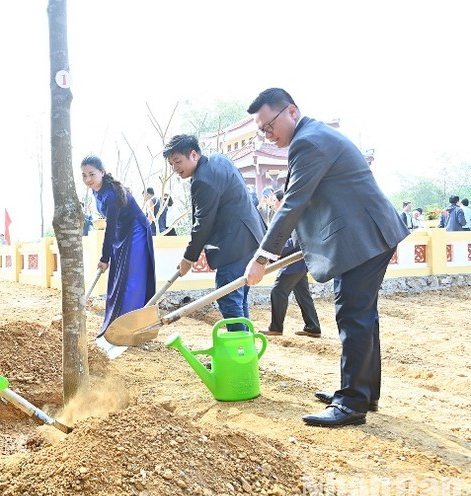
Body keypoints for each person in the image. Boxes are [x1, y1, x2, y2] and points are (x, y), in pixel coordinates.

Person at [245, 88, 408, 427]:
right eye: (261, 130)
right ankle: (363, 393)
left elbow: (293, 202)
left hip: (365, 238)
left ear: (291, 111)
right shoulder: (313, 137)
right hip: (366, 235)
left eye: (269, 125)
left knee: (353, 315)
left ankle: (351, 404)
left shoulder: (308, 141)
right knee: (362, 315)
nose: (267, 134)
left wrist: (261, 256)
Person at [163, 134, 265, 331]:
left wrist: (188, 258)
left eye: (178, 162)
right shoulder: (220, 159)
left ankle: (239, 356)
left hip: (233, 245)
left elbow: (203, 223)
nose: (175, 169)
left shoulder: (203, 180)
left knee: (228, 299)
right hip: (251, 237)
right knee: (238, 298)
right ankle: (245, 352)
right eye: (172, 164)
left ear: (193, 154)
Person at [81, 155, 156, 356]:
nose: (88, 179)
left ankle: (129, 329)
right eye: (84, 175)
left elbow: (110, 227)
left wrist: (105, 257)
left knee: (132, 279)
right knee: (117, 280)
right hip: (121, 233)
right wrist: (108, 255)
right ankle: (115, 326)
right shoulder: (97, 192)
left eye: (92, 174)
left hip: (136, 231)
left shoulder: (111, 195)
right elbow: (112, 225)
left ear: (102, 172)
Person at [259, 190, 321, 338]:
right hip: (299, 262)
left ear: (282, 201)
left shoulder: (294, 215)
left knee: (278, 291)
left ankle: (276, 327)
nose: (273, 204)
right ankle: (313, 327)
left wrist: (274, 253)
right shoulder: (293, 214)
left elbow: (293, 243)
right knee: (303, 294)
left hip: (294, 262)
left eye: (275, 201)